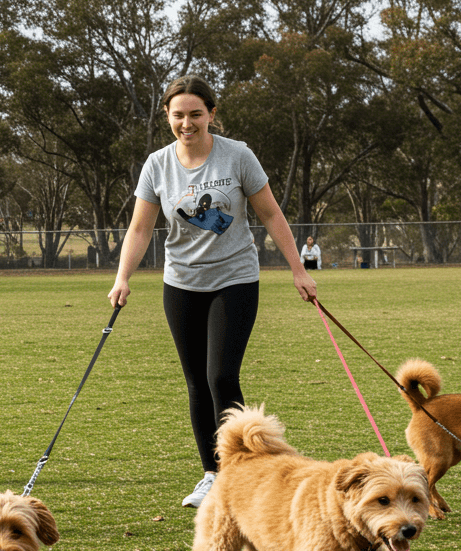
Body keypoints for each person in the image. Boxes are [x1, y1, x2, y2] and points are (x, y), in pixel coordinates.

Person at [107, 75, 318, 509]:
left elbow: (271, 214)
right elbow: (141, 228)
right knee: (196, 382)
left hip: (235, 278)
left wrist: (299, 270)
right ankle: (211, 475)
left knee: (221, 374)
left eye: (196, 114)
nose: (187, 123)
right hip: (181, 282)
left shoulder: (237, 155)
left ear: (211, 114)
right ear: (167, 116)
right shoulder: (157, 165)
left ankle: (237, 471)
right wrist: (122, 277)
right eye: (178, 114)